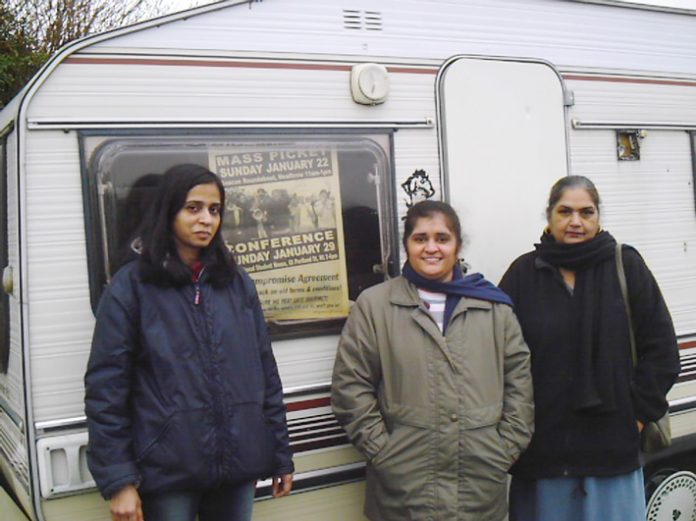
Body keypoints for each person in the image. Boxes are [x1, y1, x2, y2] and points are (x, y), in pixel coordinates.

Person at [84, 164, 294, 521]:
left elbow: (264, 372)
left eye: (214, 210)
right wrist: (119, 480)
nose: (206, 220)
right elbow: (106, 389)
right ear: (168, 211)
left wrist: (279, 452)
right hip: (167, 472)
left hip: (237, 466)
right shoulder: (132, 286)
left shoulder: (236, 282)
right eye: (193, 208)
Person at [331, 200, 534, 521]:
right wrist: (385, 453)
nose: (431, 248)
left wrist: (503, 450)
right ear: (407, 246)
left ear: (458, 245)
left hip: (478, 487)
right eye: (420, 238)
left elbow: (519, 384)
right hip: (404, 490)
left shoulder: (494, 307)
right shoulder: (375, 306)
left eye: (442, 238)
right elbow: (350, 388)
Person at [499, 175, 681, 521]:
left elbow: (662, 352)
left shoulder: (625, 265)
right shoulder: (523, 274)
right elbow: (496, 355)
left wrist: (638, 417)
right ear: (549, 216)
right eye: (565, 211)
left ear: (599, 217)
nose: (576, 222)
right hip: (542, 456)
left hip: (610, 453)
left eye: (587, 212)